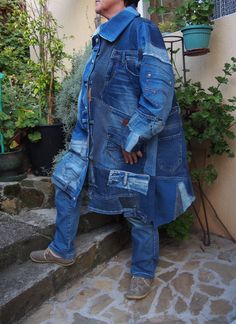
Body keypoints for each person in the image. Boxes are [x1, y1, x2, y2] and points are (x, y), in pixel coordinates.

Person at [30, 0, 195, 300]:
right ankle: (61, 249)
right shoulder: (104, 36)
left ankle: (143, 270)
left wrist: (133, 138)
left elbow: (159, 96)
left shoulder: (142, 30)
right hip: (90, 133)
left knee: (137, 208)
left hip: (122, 141)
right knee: (65, 183)